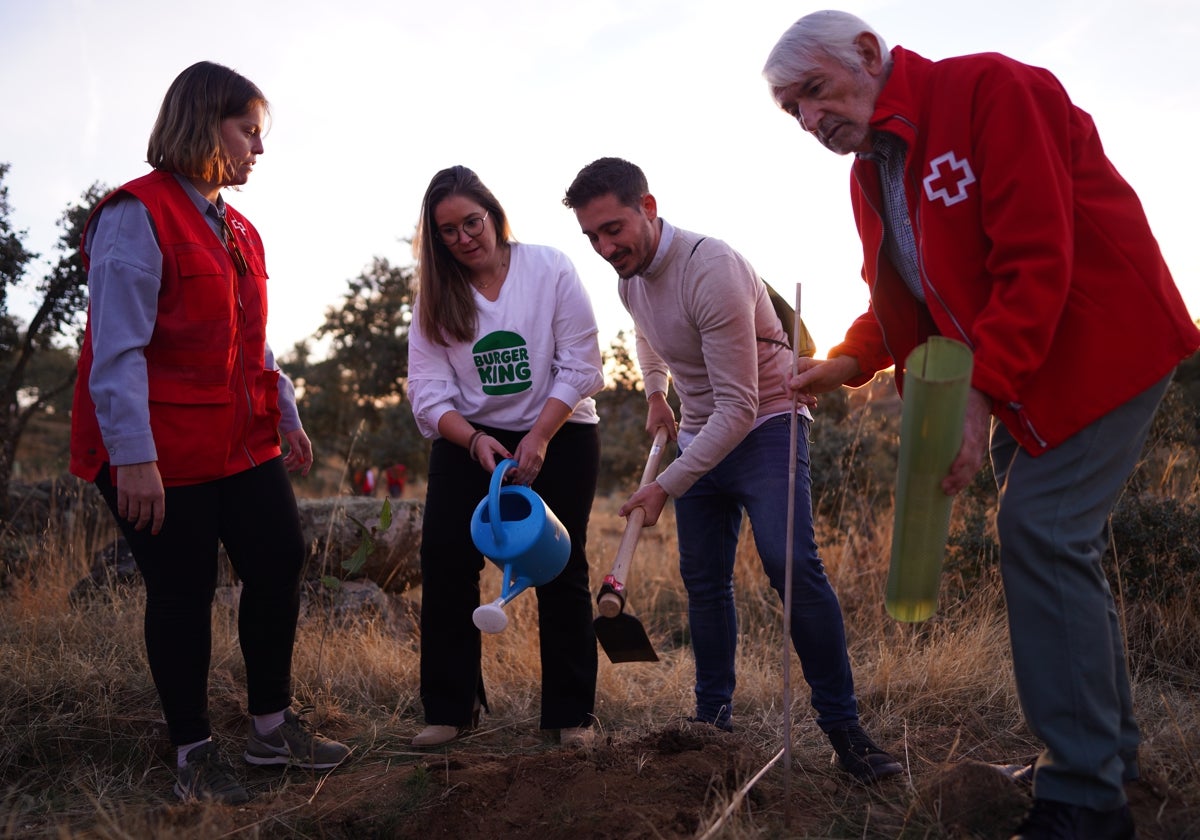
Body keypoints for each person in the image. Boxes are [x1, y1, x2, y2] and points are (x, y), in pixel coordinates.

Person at [762, 11, 1200, 838]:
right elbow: (908, 299)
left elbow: (1037, 256)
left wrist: (979, 390)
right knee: (1056, 539)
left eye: (815, 92)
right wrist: (849, 363)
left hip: (1104, 346)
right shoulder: (870, 172)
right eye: (794, 111)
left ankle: (1084, 800)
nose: (810, 120)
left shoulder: (987, 90)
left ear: (867, 54)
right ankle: (1106, 758)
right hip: (1027, 372)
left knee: (1039, 530)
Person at [563, 157, 902, 784]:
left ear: (649, 207)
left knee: (789, 563)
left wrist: (664, 486)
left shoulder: (710, 268)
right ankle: (712, 721)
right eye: (593, 238)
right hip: (697, 428)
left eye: (614, 229)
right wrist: (656, 393)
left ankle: (847, 734)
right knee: (705, 581)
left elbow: (740, 406)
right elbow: (647, 333)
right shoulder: (631, 278)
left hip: (767, 422)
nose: (607, 248)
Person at [69, 61, 350, 804]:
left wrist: (284, 406)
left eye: (261, 134)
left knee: (279, 555)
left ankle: (269, 731)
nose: (260, 148)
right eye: (248, 130)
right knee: (183, 589)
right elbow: (118, 349)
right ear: (205, 122)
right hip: (155, 450)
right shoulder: (136, 214)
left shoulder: (240, 227)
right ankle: (193, 751)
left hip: (238, 438)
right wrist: (132, 458)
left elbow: (249, 339)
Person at [407, 165, 604, 749]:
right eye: (449, 230)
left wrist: (540, 435)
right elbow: (427, 389)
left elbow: (581, 364)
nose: (466, 237)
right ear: (436, 238)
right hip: (471, 437)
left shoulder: (549, 268)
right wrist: (470, 440)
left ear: (493, 215)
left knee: (560, 564)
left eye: (473, 221)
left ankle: (570, 717)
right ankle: (451, 709)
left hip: (560, 425)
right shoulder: (436, 297)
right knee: (445, 562)